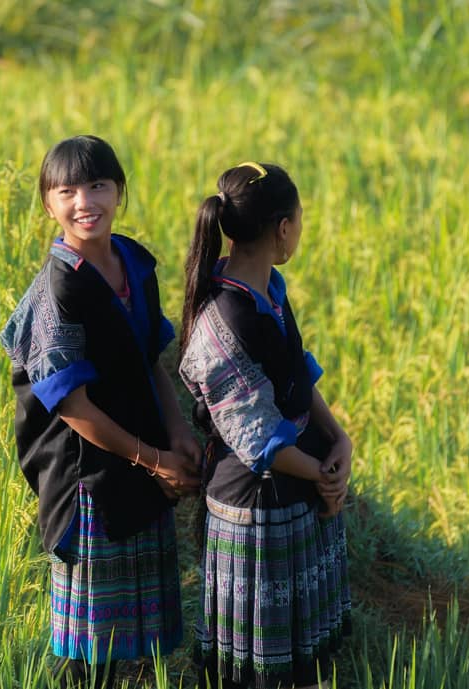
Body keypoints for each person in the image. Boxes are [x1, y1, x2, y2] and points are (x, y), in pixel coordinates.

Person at [0, 135, 201, 688]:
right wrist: (155, 460)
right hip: (86, 476)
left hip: (139, 457)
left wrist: (177, 431)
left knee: (132, 638)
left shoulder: (134, 262)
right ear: (48, 204)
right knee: (90, 651)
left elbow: (150, 357)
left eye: (98, 186)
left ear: (120, 192)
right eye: (67, 191)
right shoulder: (58, 288)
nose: (84, 202)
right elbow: (71, 406)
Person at [179, 162, 352, 688]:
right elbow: (257, 437)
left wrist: (339, 439)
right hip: (256, 509)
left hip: (293, 487)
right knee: (258, 674)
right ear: (282, 228)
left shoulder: (268, 289)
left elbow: (296, 372)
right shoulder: (224, 318)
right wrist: (324, 475)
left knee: (298, 665)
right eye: (300, 221)